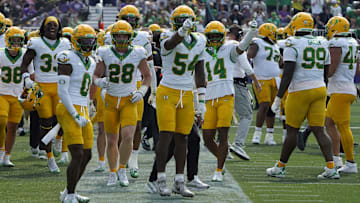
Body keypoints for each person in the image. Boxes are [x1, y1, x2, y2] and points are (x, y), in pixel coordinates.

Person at [268, 12, 339, 179]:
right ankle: (331, 168)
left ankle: (280, 167)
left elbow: (288, 74)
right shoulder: (322, 42)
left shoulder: (292, 43)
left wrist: (278, 99)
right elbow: (326, 71)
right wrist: (324, 91)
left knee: (292, 131)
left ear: (295, 25)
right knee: (319, 130)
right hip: (320, 88)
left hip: (300, 90)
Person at [155, 5, 206, 197]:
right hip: (168, 91)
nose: (182, 25)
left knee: (183, 137)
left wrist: (201, 100)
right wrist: (182, 31)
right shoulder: (165, 36)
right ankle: (160, 179)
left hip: (186, 93)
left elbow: (200, 71)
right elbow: (170, 45)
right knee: (166, 136)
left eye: (185, 23)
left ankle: (179, 180)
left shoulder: (200, 40)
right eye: (179, 22)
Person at [93, 20, 151, 187]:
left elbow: (147, 75)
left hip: (128, 100)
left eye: (123, 35)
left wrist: (142, 91)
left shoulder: (137, 53)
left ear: (129, 36)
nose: (120, 38)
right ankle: (112, 173)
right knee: (112, 140)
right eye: (117, 35)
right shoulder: (105, 52)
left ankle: (122, 169)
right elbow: (95, 75)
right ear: (113, 36)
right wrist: (100, 83)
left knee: (128, 137)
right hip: (110, 100)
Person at [201, 20, 258, 181]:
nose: (213, 39)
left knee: (223, 134)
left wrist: (251, 32)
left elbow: (242, 47)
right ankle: (222, 159)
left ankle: (219, 170)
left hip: (226, 95)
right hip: (209, 97)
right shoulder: (203, 52)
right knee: (207, 138)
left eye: (216, 36)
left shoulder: (229, 48)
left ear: (222, 36)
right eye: (211, 36)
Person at [20, 16, 71, 173]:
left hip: (60, 86)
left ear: (59, 27)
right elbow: (24, 63)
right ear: (43, 27)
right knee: (46, 121)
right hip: (42, 87)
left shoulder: (65, 43)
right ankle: (50, 157)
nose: (51, 28)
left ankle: (59, 139)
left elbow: (70, 64)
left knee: (63, 117)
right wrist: (26, 77)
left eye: (54, 25)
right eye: (48, 25)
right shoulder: (36, 42)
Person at [57, 24, 97, 203]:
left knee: (87, 154)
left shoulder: (92, 61)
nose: (88, 45)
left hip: (82, 108)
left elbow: (86, 89)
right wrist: (75, 114)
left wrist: (87, 108)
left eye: (91, 41)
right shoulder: (67, 57)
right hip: (68, 108)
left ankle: (68, 191)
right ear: (75, 42)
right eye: (84, 41)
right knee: (78, 153)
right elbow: (62, 91)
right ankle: (70, 196)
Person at [117, 5, 157, 179]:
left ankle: (134, 161)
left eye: (133, 19)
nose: (130, 23)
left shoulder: (142, 38)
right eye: (127, 19)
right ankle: (120, 164)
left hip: (138, 84)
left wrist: (153, 90)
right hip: (116, 85)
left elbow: (149, 67)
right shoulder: (110, 35)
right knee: (120, 127)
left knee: (137, 125)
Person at [325, 16, 358, 173]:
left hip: (340, 90)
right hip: (347, 87)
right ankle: (336, 158)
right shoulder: (353, 42)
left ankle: (351, 163)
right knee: (329, 123)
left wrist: (320, 75)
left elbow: (332, 69)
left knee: (343, 127)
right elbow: (357, 68)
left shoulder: (336, 43)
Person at [227, 24, 261, 160]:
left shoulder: (222, 45)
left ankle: (222, 145)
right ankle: (238, 144)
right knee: (246, 115)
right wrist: (256, 82)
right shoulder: (235, 46)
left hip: (223, 84)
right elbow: (246, 66)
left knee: (226, 117)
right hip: (236, 83)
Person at [247, 23, 281, 145]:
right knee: (264, 104)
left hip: (275, 79)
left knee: (272, 108)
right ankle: (257, 134)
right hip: (261, 77)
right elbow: (248, 56)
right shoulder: (257, 42)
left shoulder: (275, 45)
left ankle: (269, 136)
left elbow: (280, 62)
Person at [0, 27, 27, 166]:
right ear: (7, 40)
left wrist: (29, 90)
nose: (16, 42)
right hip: (2, 93)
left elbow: (31, 75)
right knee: (2, 121)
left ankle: (7, 156)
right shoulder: (0, 54)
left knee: (13, 127)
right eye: (13, 40)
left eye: (19, 40)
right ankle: (1, 151)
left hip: (18, 95)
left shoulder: (25, 54)